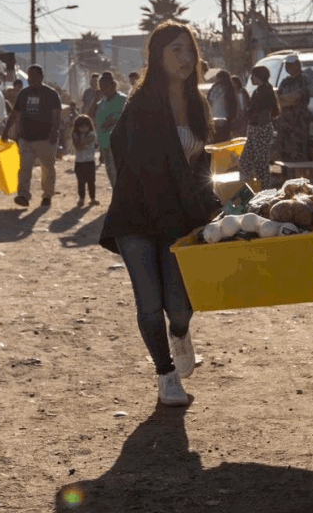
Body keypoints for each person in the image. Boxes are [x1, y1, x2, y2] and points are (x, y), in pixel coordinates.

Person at [98, 21, 222, 408]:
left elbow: (200, 162)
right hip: (137, 217)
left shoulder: (198, 103)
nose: (185, 58)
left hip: (178, 218)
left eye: (189, 50)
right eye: (175, 51)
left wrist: (211, 205)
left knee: (181, 306)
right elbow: (127, 155)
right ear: (158, 56)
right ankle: (165, 375)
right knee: (149, 303)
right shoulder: (142, 104)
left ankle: (180, 332)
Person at [1, 65, 62, 208]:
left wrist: (54, 132)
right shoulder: (23, 94)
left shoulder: (51, 94)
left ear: (41, 77)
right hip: (26, 138)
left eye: (35, 76)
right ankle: (23, 195)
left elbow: (56, 115)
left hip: (45, 138)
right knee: (24, 168)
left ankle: (47, 195)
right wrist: (6, 131)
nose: (32, 79)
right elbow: (15, 114)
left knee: (47, 168)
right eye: (30, 76)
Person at [239, 65, 279, 186]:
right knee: (245, 160)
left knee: (261, 163)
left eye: (253, 76)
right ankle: (249, 186)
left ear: (258, 77)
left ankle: (263, 189)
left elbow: (265, 111)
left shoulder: (265, 91)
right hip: (255, 128)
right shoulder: (260, 90)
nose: (251, 79)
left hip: (260, 129)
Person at [93, 72, 126, 188]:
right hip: (105, 145)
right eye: (101, 88)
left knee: (121, 175)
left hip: (120, 145)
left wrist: (113, 121)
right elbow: (88, 116)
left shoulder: (122, 100)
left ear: (113, 85)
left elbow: (128, 119)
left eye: (106, 87)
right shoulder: (101, 103)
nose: (103, 91)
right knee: (111, 175)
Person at [276, 53, 311, 161]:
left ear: (298, 65)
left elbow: (297, 97)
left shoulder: (303, 80)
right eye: (286, 65)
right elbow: (277, 99)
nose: (288, 67)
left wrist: (285, 99)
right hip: (285, 122)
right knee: (285, 152)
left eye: (291, 65)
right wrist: (285, 99)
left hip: (298, 122)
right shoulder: (285, 82)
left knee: (298, 152)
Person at [70, 115, 98, 207]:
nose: (84, 128)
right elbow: (78, 145)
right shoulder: (75, 135)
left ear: (89, 126)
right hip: (79, 162)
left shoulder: (91, 134)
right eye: (81, 126)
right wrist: (80, 144)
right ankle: (81, 198)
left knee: (91, 182)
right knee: (81, 182)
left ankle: (92, 198)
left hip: (89, 162)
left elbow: (81, 144)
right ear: (77, 127)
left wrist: (80, 143)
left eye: (86, 126)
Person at [206, 70, 237, 144]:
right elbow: (233, 104)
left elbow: (208, 101)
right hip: (225, 118)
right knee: (223, 141)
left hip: (214, 118)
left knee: (216, 140)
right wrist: (233, 117)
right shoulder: (229, 88)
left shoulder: (214, 88)